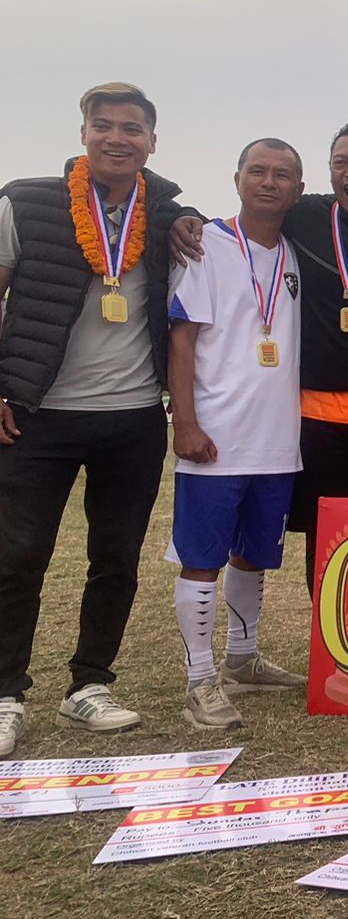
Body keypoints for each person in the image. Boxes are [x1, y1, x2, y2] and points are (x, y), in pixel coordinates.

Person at [0, 82, 191, 756]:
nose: (118, 138)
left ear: (152, 142)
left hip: (133, 418)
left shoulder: (165, 214)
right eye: (104, 125)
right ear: (83, 134)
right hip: (37, 415)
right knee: (18, 556)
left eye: (132, 128)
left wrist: (188, 218)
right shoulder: (24, 201)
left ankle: (90, 685)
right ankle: (5, 695)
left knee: (115, 559)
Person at [172, 122, 348, 595]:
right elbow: (251, 213)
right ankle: (330, 632)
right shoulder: (304, 216)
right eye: (341, 163)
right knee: (328, 540)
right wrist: (181, 215)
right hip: (319, 418)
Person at [166, 139, 307, 729]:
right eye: (258, 171)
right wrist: (186, 423)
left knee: (252, 556)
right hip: (215, 440)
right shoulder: (204, 245)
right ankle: (200, 681)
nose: (269, 182)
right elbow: (182, 339)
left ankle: (242, 659)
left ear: (299, 190)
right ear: (237, 179)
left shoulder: (299, 253)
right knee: (202, 560)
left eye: (282, 174)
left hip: (276, 442)